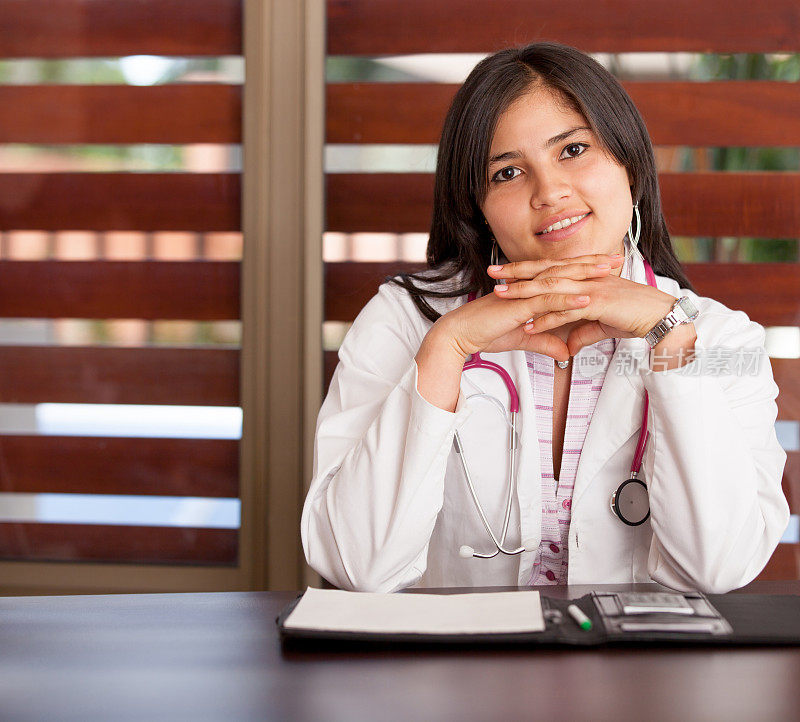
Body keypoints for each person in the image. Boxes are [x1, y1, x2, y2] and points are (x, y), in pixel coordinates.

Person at [302, 42, 789, 593]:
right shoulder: (404, 321)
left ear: (628, 165)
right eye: (508, 173)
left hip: (640, 678)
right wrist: (447, 347)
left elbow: (717, 568)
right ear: (478, 206)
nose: (551, 192)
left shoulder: (722, 338)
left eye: (574, 149)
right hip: (455, 673)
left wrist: (670, 337)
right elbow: (354, 568)